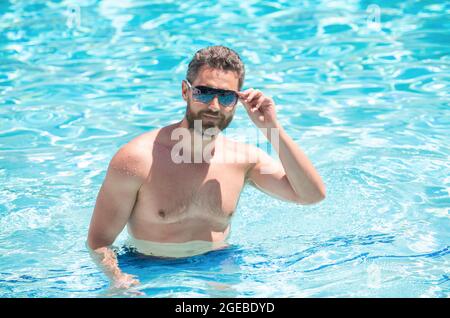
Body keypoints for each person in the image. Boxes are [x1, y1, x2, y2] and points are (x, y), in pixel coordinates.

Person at [87, 45, 326, 289]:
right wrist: (118, 279)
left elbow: (310, 195)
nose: (213, 106)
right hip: (148, 266)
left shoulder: (243, 160)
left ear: (236, 101)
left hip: (218, 263)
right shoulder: (137, 160)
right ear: (185, 91)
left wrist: (271, 129)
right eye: (203, 92)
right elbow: (99, 241)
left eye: (225, 97)